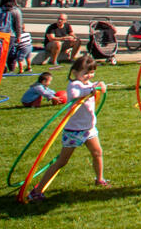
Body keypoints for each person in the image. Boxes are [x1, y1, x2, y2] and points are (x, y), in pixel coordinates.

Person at [26, 55, 109, 201]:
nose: (89, 75)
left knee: (98, 153)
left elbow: (92, 86)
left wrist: (100, 84)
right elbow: (77, 94)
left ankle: (100, 179)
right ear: (75, 72)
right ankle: (37, 191)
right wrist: (92, 89)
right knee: (62, 161)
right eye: (85, 73)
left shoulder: (88, 83)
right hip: (74, 131)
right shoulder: (74, 85)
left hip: (89, 129)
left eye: (91, 72)